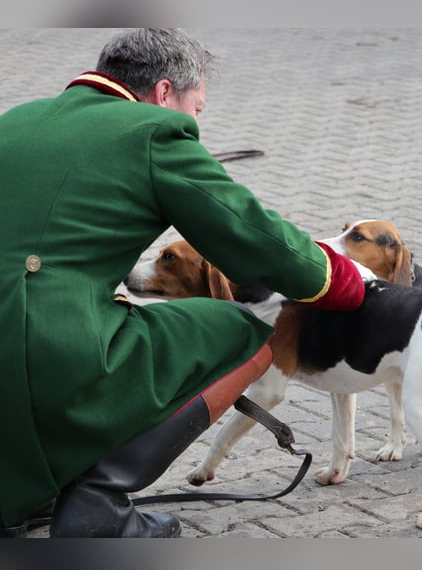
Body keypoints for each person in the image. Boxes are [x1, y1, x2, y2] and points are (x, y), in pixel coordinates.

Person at [0, 28, 365, 538]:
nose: (195, 124)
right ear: (165, 93)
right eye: (197, 109)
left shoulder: (17, 119)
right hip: (42, 352)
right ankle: (97, 502)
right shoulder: (155, 131)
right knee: (244, 335)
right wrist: (343, 279)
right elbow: (251, 235)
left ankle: (28, 494)